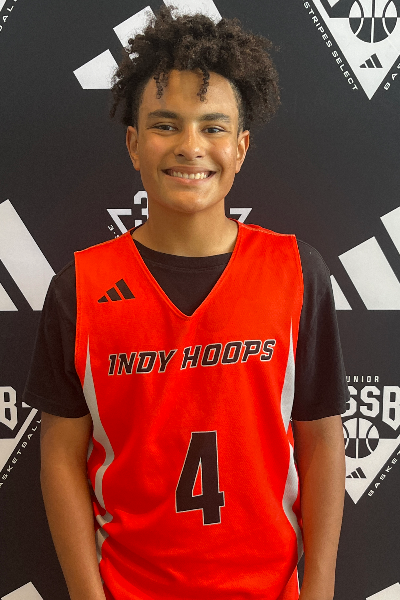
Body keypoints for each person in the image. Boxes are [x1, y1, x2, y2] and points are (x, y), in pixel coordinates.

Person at [23, 7, 347, 600]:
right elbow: (61, 456)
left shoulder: (298, 272)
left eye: (213, 127)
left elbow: (322, 438)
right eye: (166, 125)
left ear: (241, 147)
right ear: (134, 144)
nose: (190, 146)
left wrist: (320, 586)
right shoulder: (80, 287)